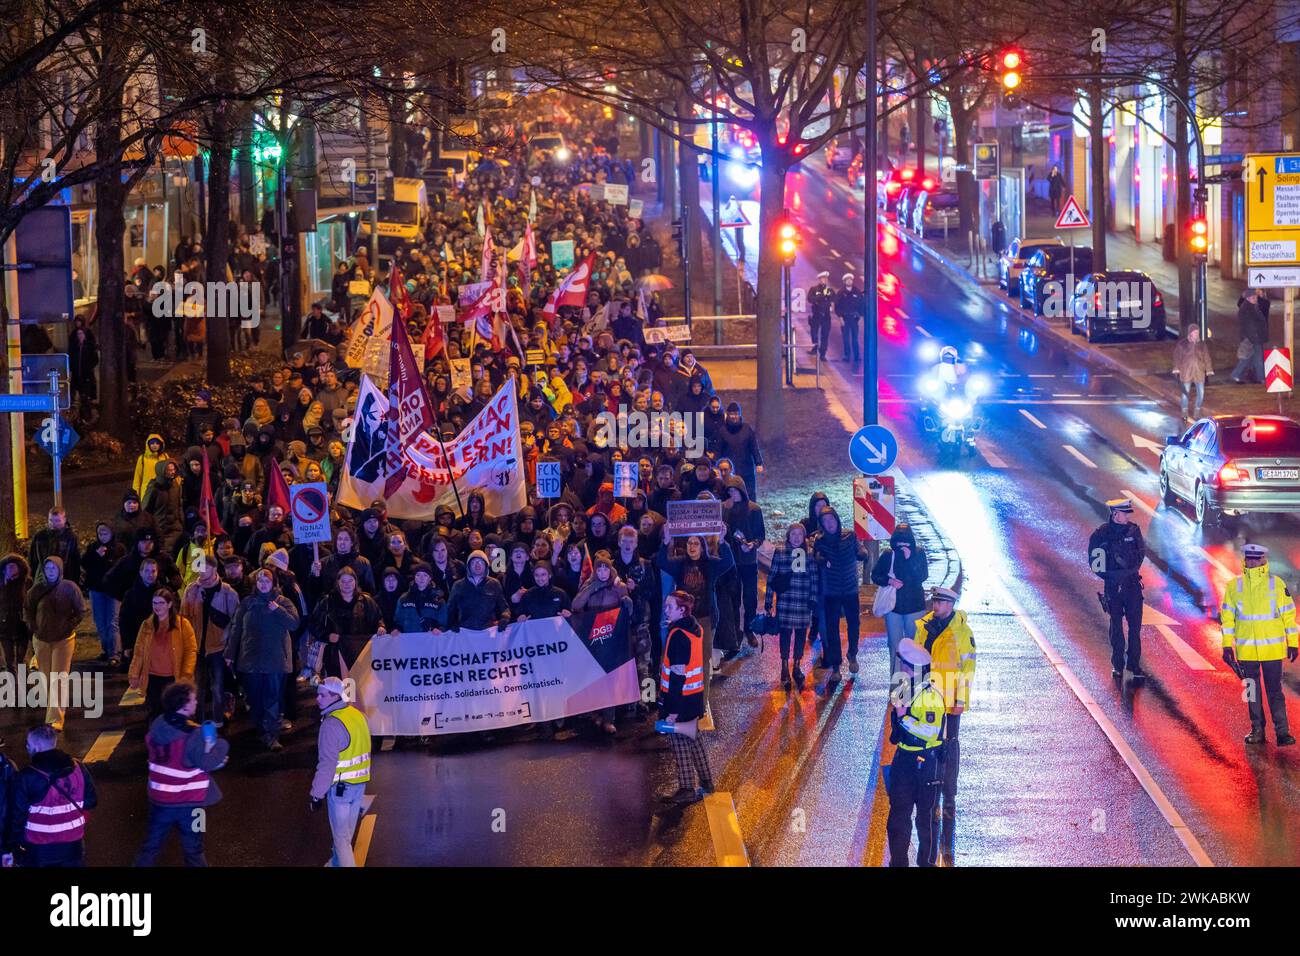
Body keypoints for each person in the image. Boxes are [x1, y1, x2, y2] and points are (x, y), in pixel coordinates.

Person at [912, 585, 975, 866]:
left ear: (950, 605)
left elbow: (967, 669)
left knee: (949, 745)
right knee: (929, 741)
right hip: (927, 698)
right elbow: (913, 662)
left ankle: (948, 785)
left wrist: (960, 698)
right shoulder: (924, 626)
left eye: (939, 602)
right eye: (934, 601)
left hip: (949, 700)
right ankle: (932, 776)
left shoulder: (962, 632)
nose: (935, 605)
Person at [135, 681, 228, 867]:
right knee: (194, 849)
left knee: (151, 847)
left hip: (160, 799)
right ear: (184, 705)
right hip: (192, 804)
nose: (196, 703)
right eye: (193, 700)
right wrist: (218, 747)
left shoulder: (158, 725)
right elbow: (208, 762)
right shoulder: (194, 735)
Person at [1220, 543, 1297, 747]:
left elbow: (1289, 616)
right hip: (1246, 650)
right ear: (1245, 560)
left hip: (1272, 651)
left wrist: (1293, 642)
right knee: (1251, 691)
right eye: (1250, 558)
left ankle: (1282, 732)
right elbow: (1227, 619)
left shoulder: (1276, 584)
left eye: (1257, 558)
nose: (1253, 562)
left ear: (1264, 560)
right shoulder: (1234, 586)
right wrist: (1227, 646)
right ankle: (1257, 730)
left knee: (1275, 691)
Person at [885, 638, 948, 867]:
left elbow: (930, 733)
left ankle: (927, 863)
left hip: (926, 763)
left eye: (905, 667)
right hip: (904, 760)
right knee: (898, 818)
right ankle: (898, 863)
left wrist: (904, 718)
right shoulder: (903, 687)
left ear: (916, 670)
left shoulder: (931, 696)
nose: (901, 670)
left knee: (926, 820)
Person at [226, 567, 299, 750]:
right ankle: (261, 729)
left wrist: (278, 610)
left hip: (275, 661)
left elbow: (294, 623)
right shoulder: (247, 603)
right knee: (255, 700)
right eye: (260, 581)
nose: (263, 584)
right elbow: (236, 629)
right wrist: (230, 653)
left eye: (266, 581)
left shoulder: (283, 602)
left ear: (273, 583)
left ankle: (271, 735)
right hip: (251, 661)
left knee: (272, 699)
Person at [4, 724, 97, 867]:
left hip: (39, 850)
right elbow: (91, 801)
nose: (27, 747)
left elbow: (17, 817)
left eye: (28, 744)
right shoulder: (78, 767)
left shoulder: (27, 776)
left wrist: (11, 848)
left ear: (38, 747)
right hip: (74, 847)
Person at [310, 676, 372, 867]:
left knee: (341, 840)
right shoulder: (357, 715)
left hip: (340, 790)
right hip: (359, 784)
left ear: (335, 696)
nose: (317, 699)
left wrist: (316, 795)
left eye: (322, 695)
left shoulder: (331, 724)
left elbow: (327, 764)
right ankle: (336, 863)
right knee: (345, 835)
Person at [658, 590, 713, 804]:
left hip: (680, 700)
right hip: (694, 697)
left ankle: (687, 788)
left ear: (682, 610)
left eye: (669, 607)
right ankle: (707, 782)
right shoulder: (694, 628)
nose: (665, 610)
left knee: (679, 742)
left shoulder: (678, 636)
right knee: (694, 739)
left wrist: (672, 710)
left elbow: (678, 675)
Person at [23, 557, 85, 731]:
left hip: (63, 640)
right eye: (47, 568)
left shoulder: (69, 588)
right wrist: (34, 627)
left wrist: (69, 625)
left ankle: (55, 718)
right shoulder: (37, 589)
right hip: (42, 639)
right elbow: (28, 609)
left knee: (58, 678)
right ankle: (54, 708)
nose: (50, 571)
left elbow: (80, 611)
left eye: (53, 568)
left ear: (59, 569)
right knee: (46, 678)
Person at [1088, 497, 1145, 681]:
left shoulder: (1134, 531)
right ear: (1115, 514)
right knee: (1116, 627)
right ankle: (1117, 665)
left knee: (1135, 628)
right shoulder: (1101, 535)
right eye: (1124, 513)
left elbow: (1139, 558)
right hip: (1113, 588)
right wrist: (1113, 577)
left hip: (1132, 587)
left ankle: (1134, 665)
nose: (1128, 516)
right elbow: (1096, 564)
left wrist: (1125, 575)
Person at [180, 558, 240, 726]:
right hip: (197, 646)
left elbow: (235, 622)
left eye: (205, 567)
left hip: (218, 647)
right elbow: (184, 618)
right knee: (197, 687)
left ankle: (218, 720)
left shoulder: (228, 592)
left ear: (214, 569)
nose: (201, 571)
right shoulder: (191, 590)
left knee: (218, 687)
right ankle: (197, 721)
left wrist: (229, 646)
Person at [812, 507, 867, 685]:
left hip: (850, 589)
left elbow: (860, 550)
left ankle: (853, 654)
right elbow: (816, 556)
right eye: (825, 521)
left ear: (837, 520)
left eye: (832, 520)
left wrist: (862, 554)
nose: (829, 524)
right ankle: (836, 665)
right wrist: (819, 559)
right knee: (832, 628)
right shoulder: (820, 541)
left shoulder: (849, 536)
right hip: (832, 591)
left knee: (854, 624)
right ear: (822, 525)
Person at [128, 588, 198, 722]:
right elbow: (139, 651)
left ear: (169, 604)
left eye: (161, 603)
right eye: (155, 603)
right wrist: (134, 674)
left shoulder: (183, 624)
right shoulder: (147, 625)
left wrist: (186, 674)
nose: (157, 607)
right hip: (153, 678)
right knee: (155, 714)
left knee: (175, 714)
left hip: (173, 678)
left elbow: (191, 651)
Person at [765, 522, 819, 692]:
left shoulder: (809, 554)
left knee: (801, 635)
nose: (796, 537)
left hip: (803, 601)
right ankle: (783, 667)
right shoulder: (780, 552)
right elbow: (772, 577)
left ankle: (796, 665)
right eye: (793, 534)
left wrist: (813, 599)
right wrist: (768, 601)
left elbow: (814, 578)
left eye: (799, 534)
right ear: (788, 536)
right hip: (786, 601)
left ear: (804, 537)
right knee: (785, 635)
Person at [870, 523, 929, 662]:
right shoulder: (888, 554)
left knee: (914, 646)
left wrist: (910, 559)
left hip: (915, 606)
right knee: (894, 646)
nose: (903, 545)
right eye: (899, 542)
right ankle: (896, 681)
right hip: (893, 608)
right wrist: (890, 581)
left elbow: (923, 576)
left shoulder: (918, 553)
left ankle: (913, 681)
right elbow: (876, 575)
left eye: (906, 542)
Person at [445, 550, 510, 630]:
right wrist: (452, 623)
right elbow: (450, 609)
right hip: (465, 632)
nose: (477, 564)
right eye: (474, 562)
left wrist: (504, 618)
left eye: (481, 562)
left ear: (486, 565)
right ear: (468, 566)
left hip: (488, 631)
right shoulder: (458, 585)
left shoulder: (494, 584)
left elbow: (504, 607)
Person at [713, 401, 764, 500]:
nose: (734, 416)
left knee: (749, 493)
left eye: (736, 414)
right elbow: (718, 450)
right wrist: (716, 467)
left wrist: (758, 462)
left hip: (747, 468)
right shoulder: (723, 431)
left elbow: (754, 446)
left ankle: (750, 513)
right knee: (731, 494)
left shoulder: (747, 428)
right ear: (727, 415)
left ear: (739, 415)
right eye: (731, 414)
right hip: (730, 470)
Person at [1171, 324, 1213, 422]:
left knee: (1201, 394)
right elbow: (1177, 357)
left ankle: (1197, 412)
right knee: (1185, 394)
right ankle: (1184, 412)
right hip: (1186, 372)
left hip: (1199, 372)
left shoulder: (1202, 344)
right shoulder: (1183, 344)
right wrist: (1176, 367)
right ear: (1190, 333)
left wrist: (1209, 369)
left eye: (1198, 332)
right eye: (1195, 332)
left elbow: (1207, 357)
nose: (1197, 334)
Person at [1231, 289, 1268, 384]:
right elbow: (1249, 326)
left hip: (1252, 338)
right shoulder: (1247, 309)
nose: (1255, 299)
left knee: (1249, 358)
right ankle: (1261, 378)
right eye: (1253, 297)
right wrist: (1255, 338)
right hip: (1253, 338)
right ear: (1247, 298)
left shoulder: (1252, 306)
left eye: (1256, 297)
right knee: (1257, 358)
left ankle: (1236, 374)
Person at [833, 272, 864, 365]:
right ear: (844, 281)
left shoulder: (857, 292)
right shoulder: (841, 292)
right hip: (845, 318)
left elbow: (862, 304)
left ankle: (856, 355)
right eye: (847, 280)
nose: (849, 281)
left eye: (850, 279)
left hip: (854, 319)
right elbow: (837, 306)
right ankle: (847, 355)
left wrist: (861, 316)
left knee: (855, 338)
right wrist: (840, 318)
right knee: (846, 338)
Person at [807, 270, 834, 360]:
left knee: (825, 335)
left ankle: (823, 353)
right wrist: (821, 296)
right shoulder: (814, 289)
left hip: (826, 315)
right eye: (823, 278)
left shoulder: (829, 290)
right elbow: (810, 299)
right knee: (814, 332)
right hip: (817, 314)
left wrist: (829, 297)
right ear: (820, 279)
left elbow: (835, 299)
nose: (825, 280)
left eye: (826, 278)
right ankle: (815, 347)